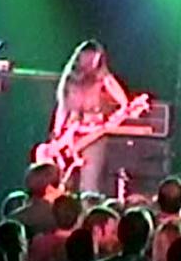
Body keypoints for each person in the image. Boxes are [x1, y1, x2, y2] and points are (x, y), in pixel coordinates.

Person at [49, 40, 130, 194]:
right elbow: (63, 108)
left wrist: (113, 121)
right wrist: (57, 134)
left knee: (89, 183)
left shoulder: (103, 77)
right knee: (65, 183)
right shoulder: (69, 79)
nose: (93, 62)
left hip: (94, 135)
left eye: (96, 58)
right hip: (71, 135)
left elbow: (124, 102)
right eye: (90, 57)